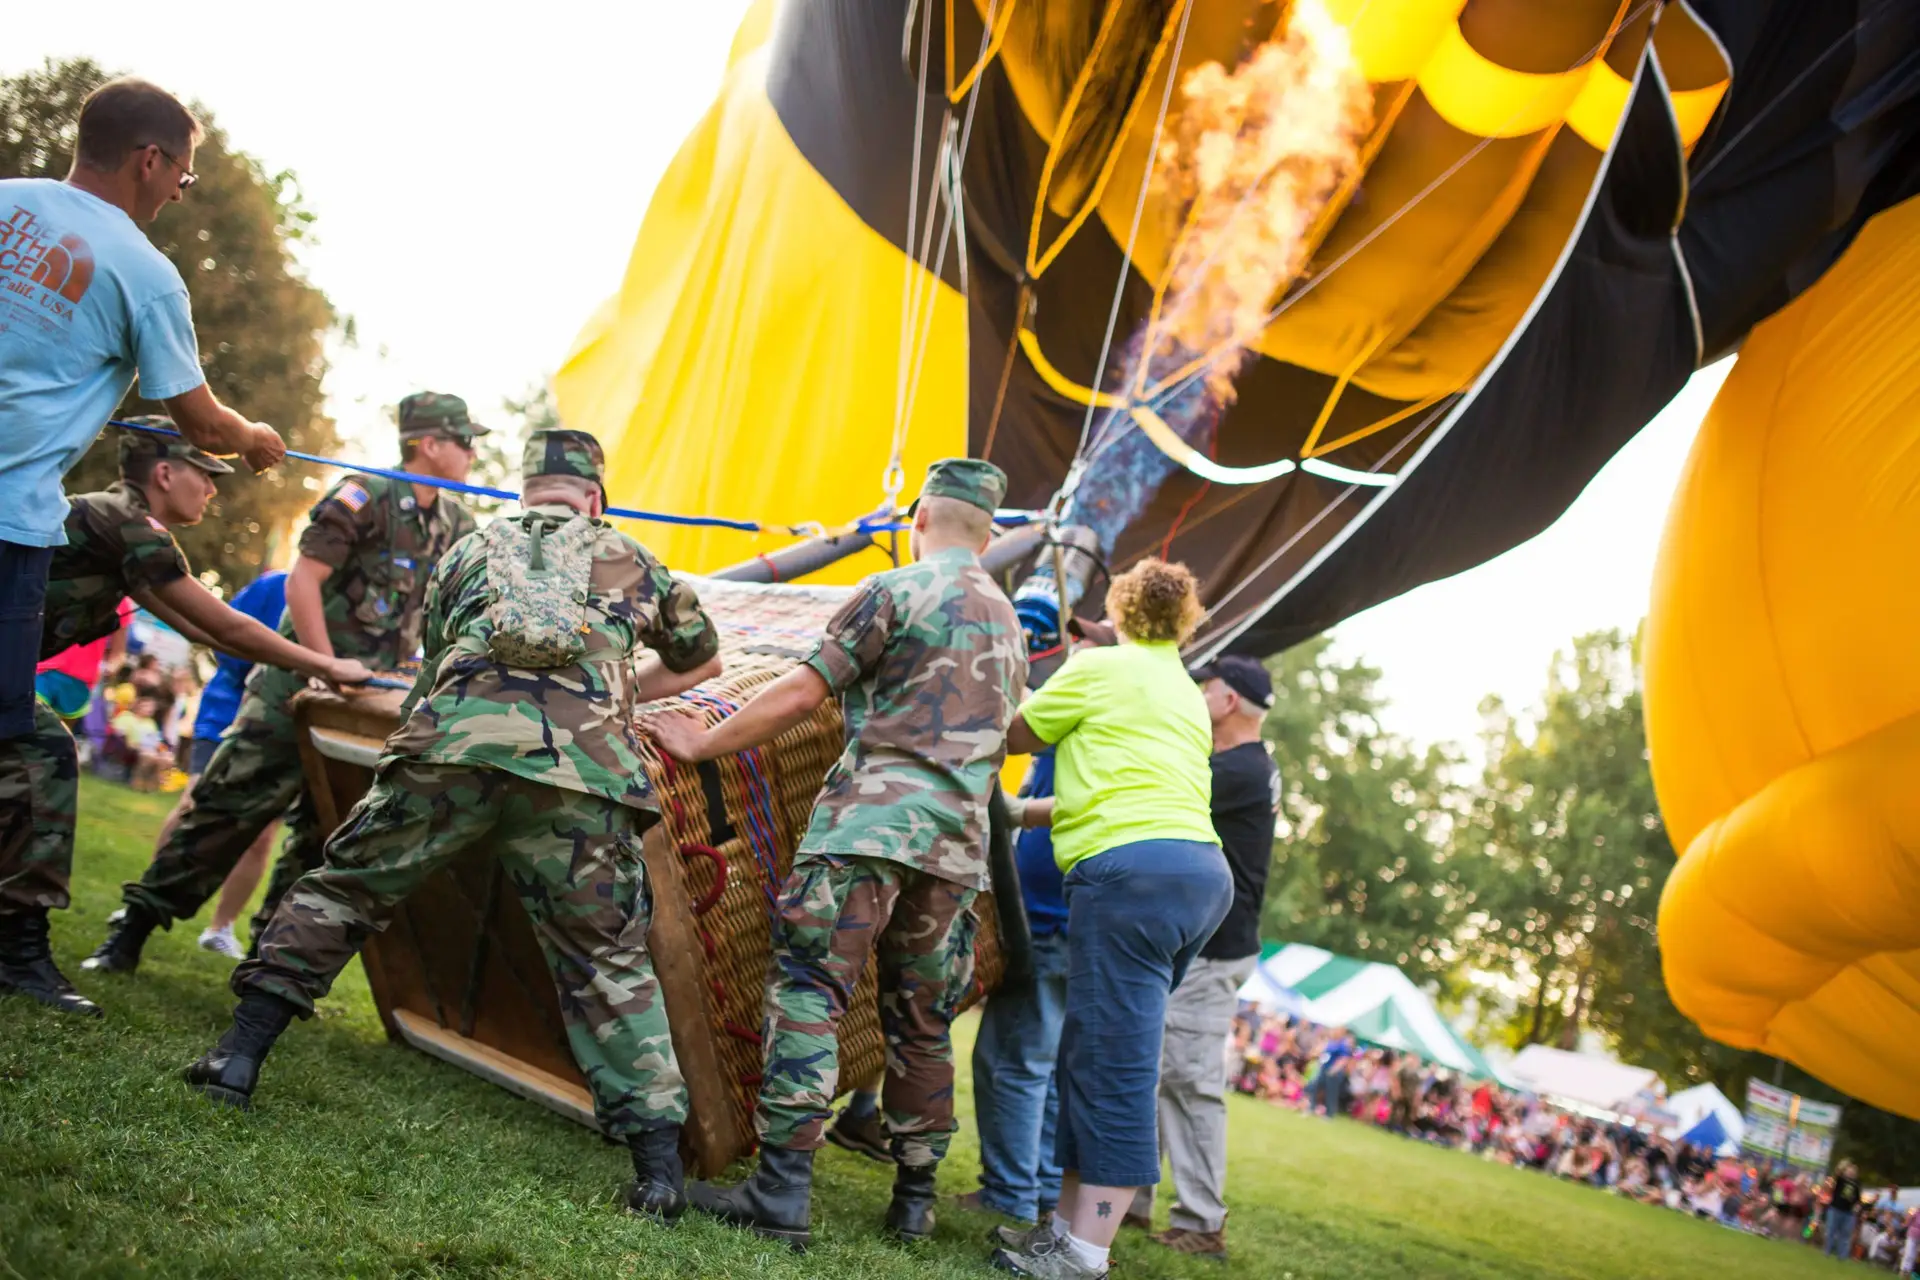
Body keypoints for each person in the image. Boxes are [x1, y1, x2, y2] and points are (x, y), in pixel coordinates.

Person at [181, 429, 722, 1220]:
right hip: (580, 776)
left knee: (347, 890)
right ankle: (657, 1175)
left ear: (526, 492)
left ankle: (237, 1056)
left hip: (450, 749)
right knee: (605, 960)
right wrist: (612, 691)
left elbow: (434, 658)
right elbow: (701, 660)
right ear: (596, 497)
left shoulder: (470, 549)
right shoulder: (635, 558)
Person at [646, 458, 1026, 1249]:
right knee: (922, 1020)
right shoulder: (1010, 622)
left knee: (813, 991)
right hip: (956, 850)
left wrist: (704, 739)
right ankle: (913, 1203)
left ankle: (782, 1195)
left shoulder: (895, 592)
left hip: (869, 829)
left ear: (919, 516)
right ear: (989, 533)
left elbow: (802, 690)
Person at [87, 393, 483, 973]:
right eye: (465, 441)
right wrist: (323, 667)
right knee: (227, 810)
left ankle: (271, 962)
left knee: (327, 832)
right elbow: (304, 582)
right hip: (297, 688)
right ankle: (133, 928)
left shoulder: (457, 524)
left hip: (368, 702)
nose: (474, 454)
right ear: (429, 444)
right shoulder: (364, 496)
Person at [0, 430, 367, 1016]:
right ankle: (16, 953)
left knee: (37, 753)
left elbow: (197, 629)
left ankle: (17, 946)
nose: (212, 492)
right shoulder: (124, 522)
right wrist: (325, 663)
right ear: (165, 474)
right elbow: (224, 626)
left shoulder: (120, 527)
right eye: (205, 475)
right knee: (44, 754)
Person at [0, 76, 286, 750]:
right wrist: (253, 439)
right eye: (184, 177)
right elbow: (203, 426)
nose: (179, 193)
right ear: (149, 160)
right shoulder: (146, 274)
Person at [987, 558, 1234, 1280]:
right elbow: (1123, 792)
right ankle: (1064, 1235)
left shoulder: (1100, 671)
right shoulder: (1184, 692)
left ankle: (1085, 1255)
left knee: (1114, 1066)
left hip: (1131, 881)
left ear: (1119, 612)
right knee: (1088, 1056)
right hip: (1192, 877)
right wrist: (1020, 815)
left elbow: (1015, 735)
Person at [1126, 654, 1280, 1260]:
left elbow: (1160, 793)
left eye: (1206, 686)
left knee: (1189, 1080)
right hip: (1216, 940)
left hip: (1214, 947)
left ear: (1230, 700)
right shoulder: (1251, 767)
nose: (1199, 694)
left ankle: (1200, 1219)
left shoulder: (1236, 769)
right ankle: (1137, 1199)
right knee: (1162, 1070)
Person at [961, 748, 1071, 1225]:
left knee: (1011, 1061)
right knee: (1042, 1069)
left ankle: (1010, 1194)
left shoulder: (1081, 707)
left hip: (1049, 921)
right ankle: (1043, 1191)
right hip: (1067, 919)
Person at [172, 570, 288, 958]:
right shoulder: (275, 586)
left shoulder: (352, 605)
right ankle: (141, 905)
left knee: (262, 835)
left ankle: (220, 928)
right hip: (227, 713)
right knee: (193, 804)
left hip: (279, 731)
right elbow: (225, 634)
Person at [1826, 1160, 1862, 1260]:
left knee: (1845, 1235)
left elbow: (1858, 1198)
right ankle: (1827, 1251)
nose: (1851, 1172)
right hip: (1835, 1209)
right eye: (1849, 1170)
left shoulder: (1857, 1184)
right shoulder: (1840, 1180)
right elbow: (1836, 1175)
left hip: (1848, 1212)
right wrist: (1841, 1166)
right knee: (1831, 1231)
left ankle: (1842, 1256)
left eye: (1853, 1171)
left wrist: (1856, 1207)